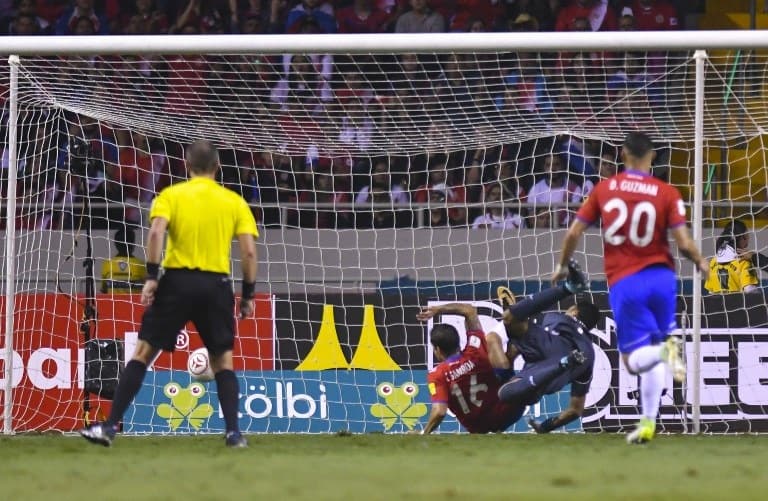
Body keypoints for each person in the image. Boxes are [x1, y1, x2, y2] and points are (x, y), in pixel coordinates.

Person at [80, 140, 259, 448]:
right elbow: (249, 253)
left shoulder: (171, 196)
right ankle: (234, 433)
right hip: (216, 285)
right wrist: (248, 296)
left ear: (187, 166)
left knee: (143, 354)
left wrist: (151, 277)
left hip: (176, 282)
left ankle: (109, 428)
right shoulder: (234, 202)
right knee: (223, 361)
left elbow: (155, 232)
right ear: (217, 167)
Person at [553, 131, 709, 444]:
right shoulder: (667, 192)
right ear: (652, 156)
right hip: (663, 279)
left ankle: (666, 351)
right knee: (651, 349)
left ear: (623, 154)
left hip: (627, 281)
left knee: (632, 359)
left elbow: (573, 233)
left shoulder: (604, 190)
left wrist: (561, 264)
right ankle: (648, 422)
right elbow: (683, 244)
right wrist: (702, 263)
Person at [496, 260, 599, 433]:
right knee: (518, 392)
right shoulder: (590, 355)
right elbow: (576, 410)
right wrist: (546, 427)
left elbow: (524, 341)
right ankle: (562, 364)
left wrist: (514, 321)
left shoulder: (556, 319)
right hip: (560, 368)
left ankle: (568, 288)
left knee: (511, 319)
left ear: (574, 311)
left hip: (548, 351)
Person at [417, 303, 525, 434]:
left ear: (437, 349)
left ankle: (512, 355)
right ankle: (514, 350)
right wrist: (437, 310)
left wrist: (424, 433)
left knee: (491, 354)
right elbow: (469, 310)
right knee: (491, 339)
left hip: (478, 428)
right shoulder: (475, 351)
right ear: (458, 342)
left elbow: (439, 411)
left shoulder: (437, 374)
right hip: (507, 412)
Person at [704, 219, 759, 294]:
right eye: (747, 235)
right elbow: (749, 289)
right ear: (743, 237)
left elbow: (710, 291)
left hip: (716, 304)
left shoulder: (713, 261)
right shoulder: (743, 261)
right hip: (738, 304)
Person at [100, 226, 146, 293]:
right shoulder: (140, 264)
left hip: (112, 303)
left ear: (116, 244)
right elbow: (146, 289)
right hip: (134, 303)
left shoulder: (107, 264)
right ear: (133, 244)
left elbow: (104, 290)